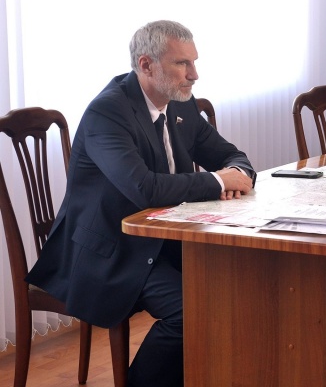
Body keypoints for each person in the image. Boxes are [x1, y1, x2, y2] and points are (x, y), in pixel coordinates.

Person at [25, 20, 256, 387]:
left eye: (194, 62)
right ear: (146, 65)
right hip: (112, 250)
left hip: (165, 238)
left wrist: (237, 173)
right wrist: (218, 181)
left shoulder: (181, 105)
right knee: (190, 313)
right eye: (182, 63)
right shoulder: (107, 112)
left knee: (244, 283)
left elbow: (231, 155)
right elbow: (144, 189)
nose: (194, 74)